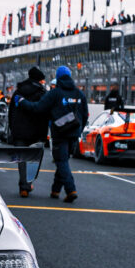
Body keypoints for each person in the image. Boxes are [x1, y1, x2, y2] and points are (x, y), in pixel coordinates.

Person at [19, 65, 88, 203]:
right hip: (74, 133)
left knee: (61, 161)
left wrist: (22, 102)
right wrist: (79, 130)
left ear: (57, 77)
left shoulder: (55, 93)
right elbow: (85, 114)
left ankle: (71, 190)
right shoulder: (79, 94)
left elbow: (38, 108)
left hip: (60, 133)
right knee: (64, 161)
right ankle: (55, 190)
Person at [8, 67, 49, 197]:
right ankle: (28, 182)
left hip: (19, 130)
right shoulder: (43, 93)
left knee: (21, 158)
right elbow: (45, 112)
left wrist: (12, 128)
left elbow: (11, 112)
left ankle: (23, 186)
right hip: (36, 131)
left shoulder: (18, 92)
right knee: (34, 158)